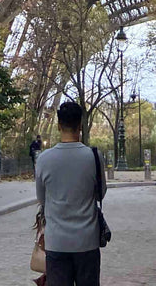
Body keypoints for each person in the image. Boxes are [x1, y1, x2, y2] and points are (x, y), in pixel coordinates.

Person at [35, 101, 106, 286]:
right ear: (80, 126)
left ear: (59, 126)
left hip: (57, 242)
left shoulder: (44, 159)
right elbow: (101, 194)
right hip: (87, 241)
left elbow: (42, 199)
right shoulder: (94, 157)